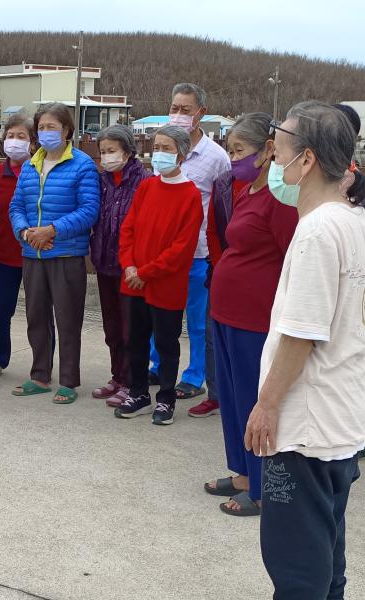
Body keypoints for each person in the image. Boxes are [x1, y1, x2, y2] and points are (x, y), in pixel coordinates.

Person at [245, 100, 365, 599]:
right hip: (340, 420)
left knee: (296, 567)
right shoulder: (354, 220)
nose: (273, 159)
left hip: (305, 429)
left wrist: (267, 406)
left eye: (280, 150)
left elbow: (303, 333)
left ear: (308, 159)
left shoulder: (317, 231)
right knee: (326, 559)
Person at [202, 113, 298, 517]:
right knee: (230, 398)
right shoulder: (247, 192)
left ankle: (260, 487)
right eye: (230, 149)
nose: (233, 158)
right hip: (226, 312)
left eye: (239, 150)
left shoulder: (280, 201)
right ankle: (242, 472)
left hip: (254, 318)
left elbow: (292, 259)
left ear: (267, 151)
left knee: (250, 399)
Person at [8, 102, 100, 404]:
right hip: (33, 253)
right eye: (42, 127)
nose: (46, 132)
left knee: (68, 319)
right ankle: (40, 375)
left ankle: (69, 380)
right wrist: (26, 233)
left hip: (66, 255)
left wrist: (52, 230)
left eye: (52, 127)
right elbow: (16, 206)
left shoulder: (82, 165)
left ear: (67, 130)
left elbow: (89, 210)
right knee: (36, 317)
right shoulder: (31, 165)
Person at [115, 126, 203, 425]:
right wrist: (129, 266)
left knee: (166, 344)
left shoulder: (190, 195)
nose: (159, 153)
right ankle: (138, 393)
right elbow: (128, 228)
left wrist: (147, 272)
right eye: (157, 147)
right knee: (135, 341)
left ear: (181, 155)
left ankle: (166, 398)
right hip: (133, 281)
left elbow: (182, 248)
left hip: (165, 284)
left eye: (167, 148)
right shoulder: (147, 187)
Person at [150, 83, 231, 408]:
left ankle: (195, 375)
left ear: (201, 113)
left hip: (198, 253)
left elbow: (223, 207)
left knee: (197, 321)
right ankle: (157, 366)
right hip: (162, 254)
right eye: (174, 108)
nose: (179, 115)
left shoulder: (216, 158)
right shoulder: (163, 148)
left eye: (186, 110)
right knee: (160, 315)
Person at [89, 124, 150, 407]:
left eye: (111, 150)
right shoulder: (101, 180)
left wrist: (135, 264)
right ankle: (117, 376)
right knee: (112, 327)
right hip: (104, 262)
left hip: (131, 267)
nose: (106, 156)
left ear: (127, 151)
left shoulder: (144, 181)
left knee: (131, 329)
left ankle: (132, 382)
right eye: (102, 151)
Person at [0, 113, 34, 379]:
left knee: (38, 314)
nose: (14, 141)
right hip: (4, 255)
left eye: (21, 136)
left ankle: (42, 365)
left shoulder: (39, 171)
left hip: (36, 256)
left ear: (32, 142)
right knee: (0, 312)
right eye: (10, 136)